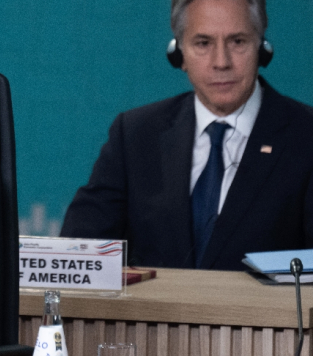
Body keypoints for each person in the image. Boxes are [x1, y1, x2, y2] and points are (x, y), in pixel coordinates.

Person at [61, 0, 313, 270]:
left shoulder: (306, 136)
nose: (221, 62)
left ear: (262, 49)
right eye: (203, 43)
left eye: (237, 41)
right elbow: (77, 254)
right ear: (178, 54)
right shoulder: (136, 134)